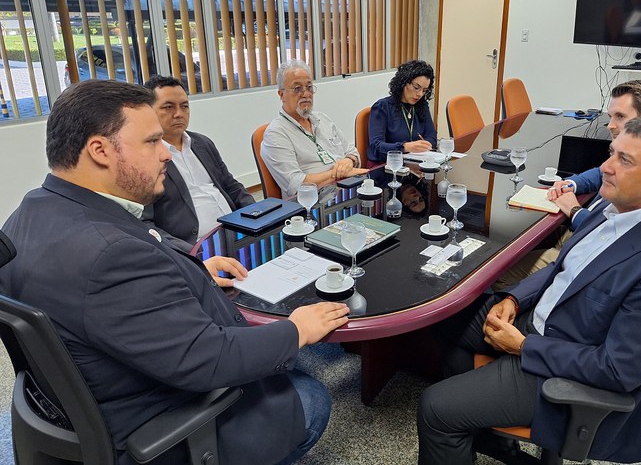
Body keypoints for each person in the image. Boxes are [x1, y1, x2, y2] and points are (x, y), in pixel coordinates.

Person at [0, 80, 350, 465]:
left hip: (96, 391)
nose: (166, 152)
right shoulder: (111, 256)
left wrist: (196, 267)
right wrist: (297, 329)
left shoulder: (29, 213)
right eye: (152, 142)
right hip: (155, 422)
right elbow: (209, 360)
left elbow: (125, 281)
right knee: (310, 394)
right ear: (99, 150)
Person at [418, 114, 641, 464]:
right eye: (611, 154)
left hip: (561, 365)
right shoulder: (616, 206)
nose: (606, 168)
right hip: (538, 322)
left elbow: (617, 369)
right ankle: (487, 436)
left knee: (435, 408)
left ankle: (463, 423)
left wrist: (524, 346)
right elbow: (561, 268)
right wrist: (513, 298)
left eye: (624, 160)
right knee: (444, 315)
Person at [495, 80, 641, 286]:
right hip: (583, 232)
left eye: (620, 117)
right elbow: (599, 173)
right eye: (610, 116)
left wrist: (575, 211)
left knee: (498, 270)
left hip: (589, 251)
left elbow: (611, 234)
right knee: (509, 243)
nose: (610, 125)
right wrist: (572, 184)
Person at [141, 76, 254, 250]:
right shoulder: (145, 156)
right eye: (168, 107)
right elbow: (145, 223)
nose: (179, 114)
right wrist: (186, 251)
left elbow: (231, 186)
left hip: (234, 232)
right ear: (149, 110)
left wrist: (258, 213)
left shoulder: (202, 143)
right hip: (194, 247)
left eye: (184, 106)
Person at [261, 60, 368, 197]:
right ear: (281, 95)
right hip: (313, 204)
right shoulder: (276, 133)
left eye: (309, 87)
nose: (306, 94)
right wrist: (339, 174)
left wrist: (349, 161)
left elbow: (352, 151)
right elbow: (296, 184)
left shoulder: (322, 119)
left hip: (346, 191)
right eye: (297, 88)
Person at [367, 60, 437, 165]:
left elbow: (431, 137)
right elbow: (376, 147)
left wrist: (425, 145)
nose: (419, 94)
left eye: (424, 90)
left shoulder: (422, 106)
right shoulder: (382, 107)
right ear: (404, 82)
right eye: (416, 88)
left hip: (413, 166)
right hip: (386, 169)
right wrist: (404, 147)